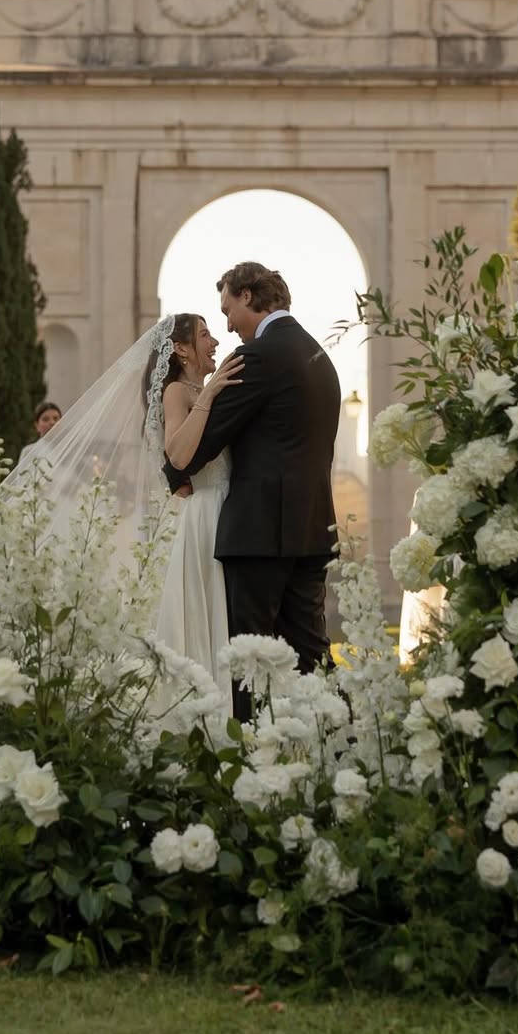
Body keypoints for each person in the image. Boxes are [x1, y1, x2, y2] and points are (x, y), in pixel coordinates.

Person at [163, 262, 341, 720]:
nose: (226, 325)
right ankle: (344, 746)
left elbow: (197, 448)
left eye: (228, 309)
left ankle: (250, 760)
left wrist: (176, 471)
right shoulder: (318, 355)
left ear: (247, 295)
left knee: (249, 663)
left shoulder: (259, 356)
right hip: (311, 529)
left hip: (261, 535)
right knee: (310, 654)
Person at [151, 315, 242, 700]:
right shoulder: (177, 391)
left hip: (227, 508)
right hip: (205, 513)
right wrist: (208, 394)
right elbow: (177, 453)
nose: (215, 342)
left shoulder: (205, 388)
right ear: (181, 349)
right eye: (205, 334)